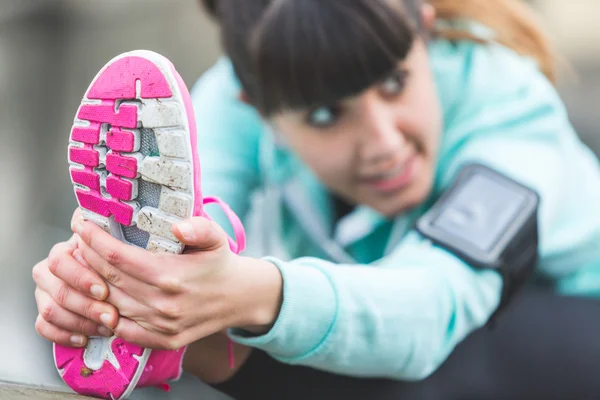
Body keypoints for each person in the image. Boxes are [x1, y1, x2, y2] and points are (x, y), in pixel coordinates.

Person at [32, 0, 600, 399]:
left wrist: (250, 294)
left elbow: (430, 309)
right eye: (326, 115)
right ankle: (191, 351)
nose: (384, 143)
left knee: (436, 369)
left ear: (424, 33)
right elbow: (186, 224)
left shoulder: (508, 112)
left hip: (574, 324)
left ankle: (208, 355)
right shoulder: (245, 94)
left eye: (395, 83)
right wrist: (110, 280)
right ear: (256, 105)